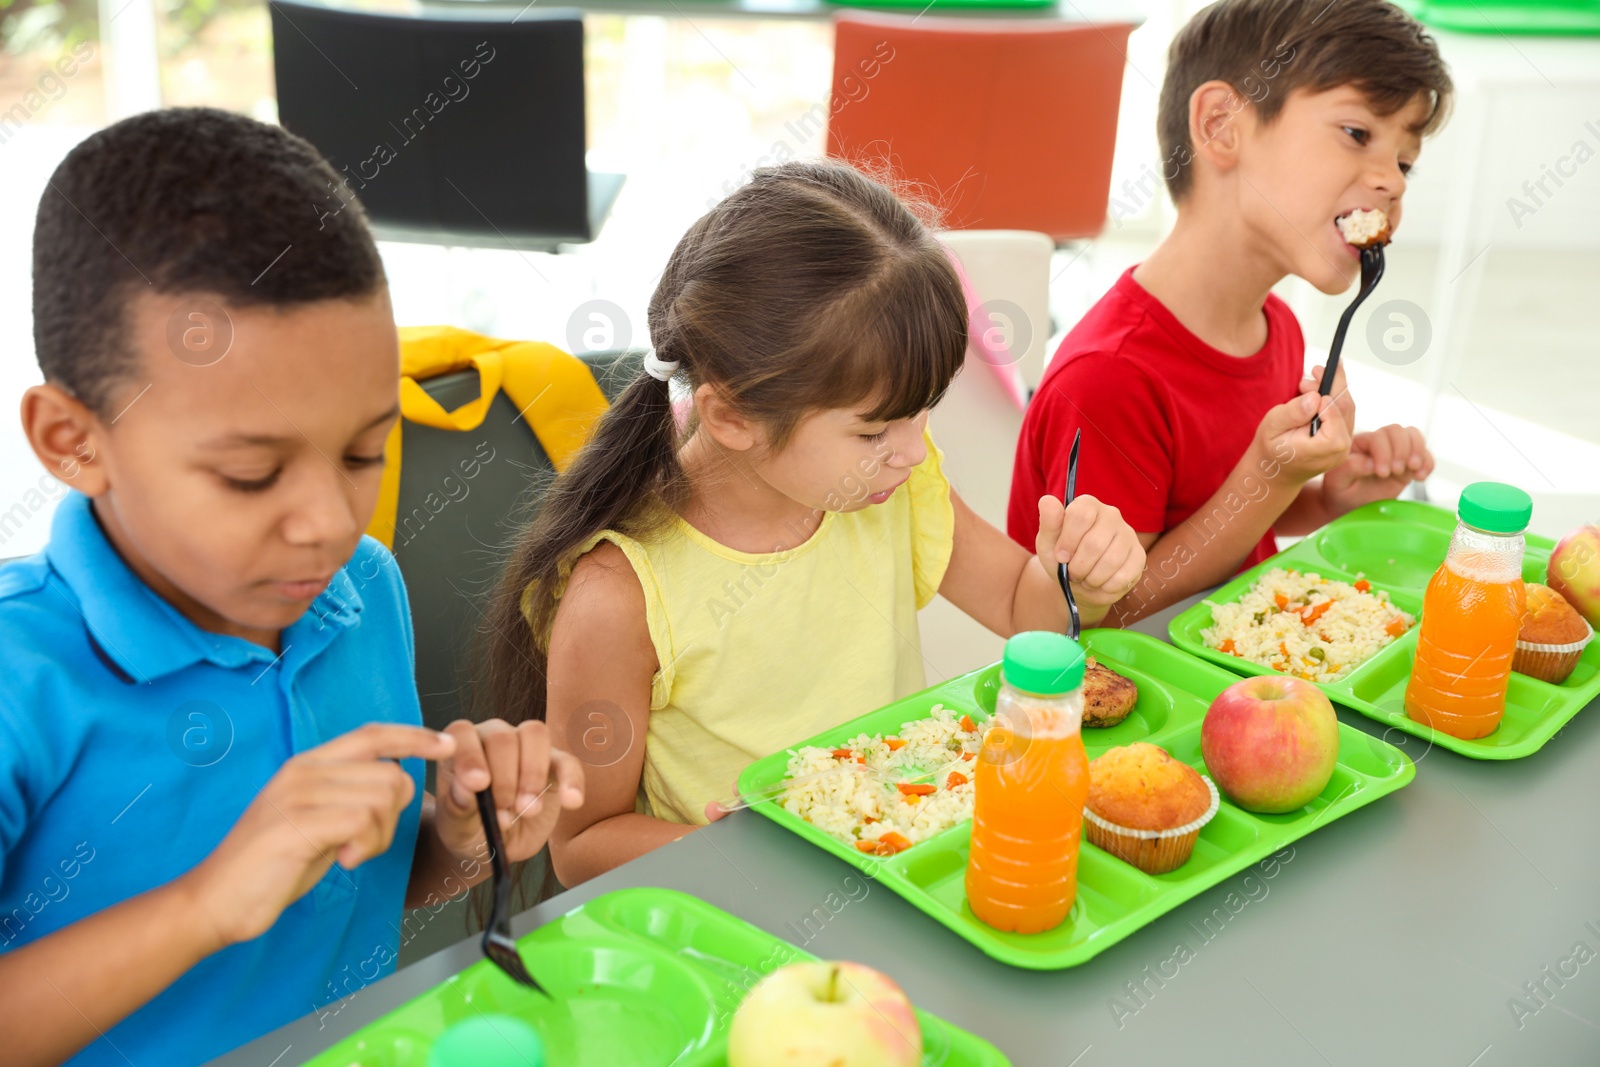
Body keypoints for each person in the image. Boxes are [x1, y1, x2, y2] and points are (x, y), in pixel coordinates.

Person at [0, 109, 583, 1066]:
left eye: (365, 449)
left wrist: (461, 835)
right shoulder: (22, 679)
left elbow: (363, 885)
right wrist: (204, 904)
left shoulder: (359, 590)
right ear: (74, 441)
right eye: (249, 474)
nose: (328, 520)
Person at [482, 160, 1147, 887]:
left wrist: (1077, 575)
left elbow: (1028, 612)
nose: (912, 450)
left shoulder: (891, 487)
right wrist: (741, 852)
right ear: (731, 415)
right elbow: (581, 845)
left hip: (899, 881)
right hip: (740, 926)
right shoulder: (619, 594)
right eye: (873, 433)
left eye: (921, 414)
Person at [1008, 0, 1453, 624]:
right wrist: (1269, 478)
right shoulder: (1111, 378)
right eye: (1358, 134)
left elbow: (1216, 520)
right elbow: (1108, 614)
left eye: (1404, 162)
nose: (1395, 183)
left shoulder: (1278, 329)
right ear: (1221, 125)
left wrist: (1322, 499)